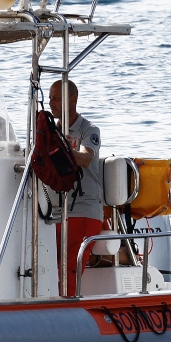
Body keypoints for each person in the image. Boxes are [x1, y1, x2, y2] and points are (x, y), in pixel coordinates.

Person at [49, 79, 103, 297]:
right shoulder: (51, 131)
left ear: (73, 99)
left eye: (56, 98)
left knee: (69, 269)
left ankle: (66, 310)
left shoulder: (89, 130)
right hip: (57, 212)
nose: (51, 103)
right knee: (48, 265)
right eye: (50, 98)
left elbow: (85, 158)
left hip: (84, 210)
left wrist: (64, 150)